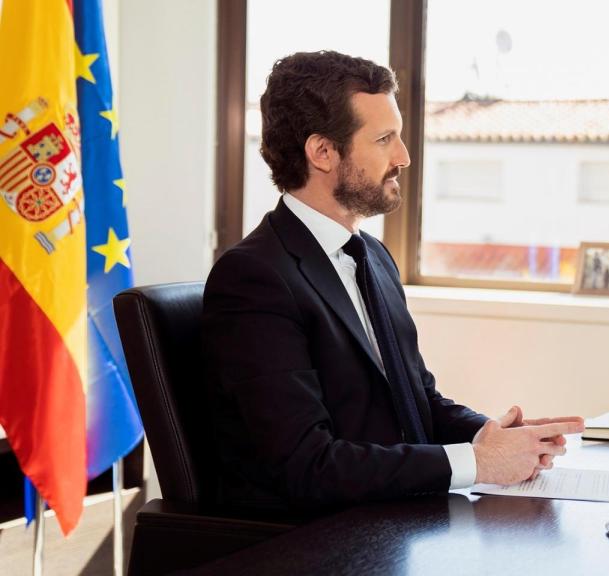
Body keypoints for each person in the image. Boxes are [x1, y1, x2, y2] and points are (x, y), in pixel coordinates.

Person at [202, 51, 583, 512]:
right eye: (385, 139)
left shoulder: (373, 258)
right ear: (322, 152)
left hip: (391, 515)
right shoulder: (254, 278)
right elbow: (306, 464)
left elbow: (417, 397)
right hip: (312, 539)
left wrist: (490, 436)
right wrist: (477, 464)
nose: (403, 156)